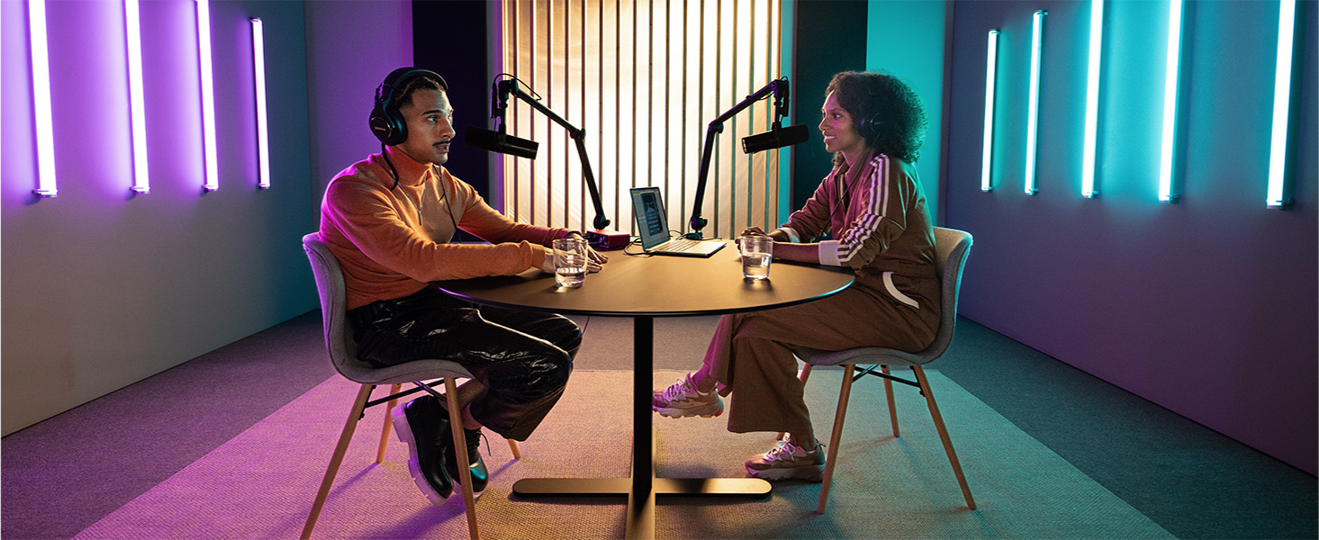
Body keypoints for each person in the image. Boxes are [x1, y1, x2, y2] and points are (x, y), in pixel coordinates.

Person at [318, 67, 605, 505]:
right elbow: (421, 260)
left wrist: (561, 239)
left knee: (563, 332)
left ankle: (440, 413)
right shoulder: (355, 190)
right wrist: (532, 256)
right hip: (385, 327)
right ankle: (461, 428)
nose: (449, 129)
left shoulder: (444, 184)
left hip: (432, 307)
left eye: (448, 116)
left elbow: (504, 230)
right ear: (389, 125)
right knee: (543, 367)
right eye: (432, 118)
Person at [652, 71, 940, 481]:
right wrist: (773, 238)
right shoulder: (843, 173)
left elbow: (853, 252)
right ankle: (802, 447)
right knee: (753, 330)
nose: (823, 124)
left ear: (871, 121)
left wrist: (772, 251)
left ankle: (702, 386)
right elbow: (805, 222)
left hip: (901, 313)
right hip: (861, 297)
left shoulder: (887, 171)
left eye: (836, 115)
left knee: (757, 310)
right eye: (826, 115)